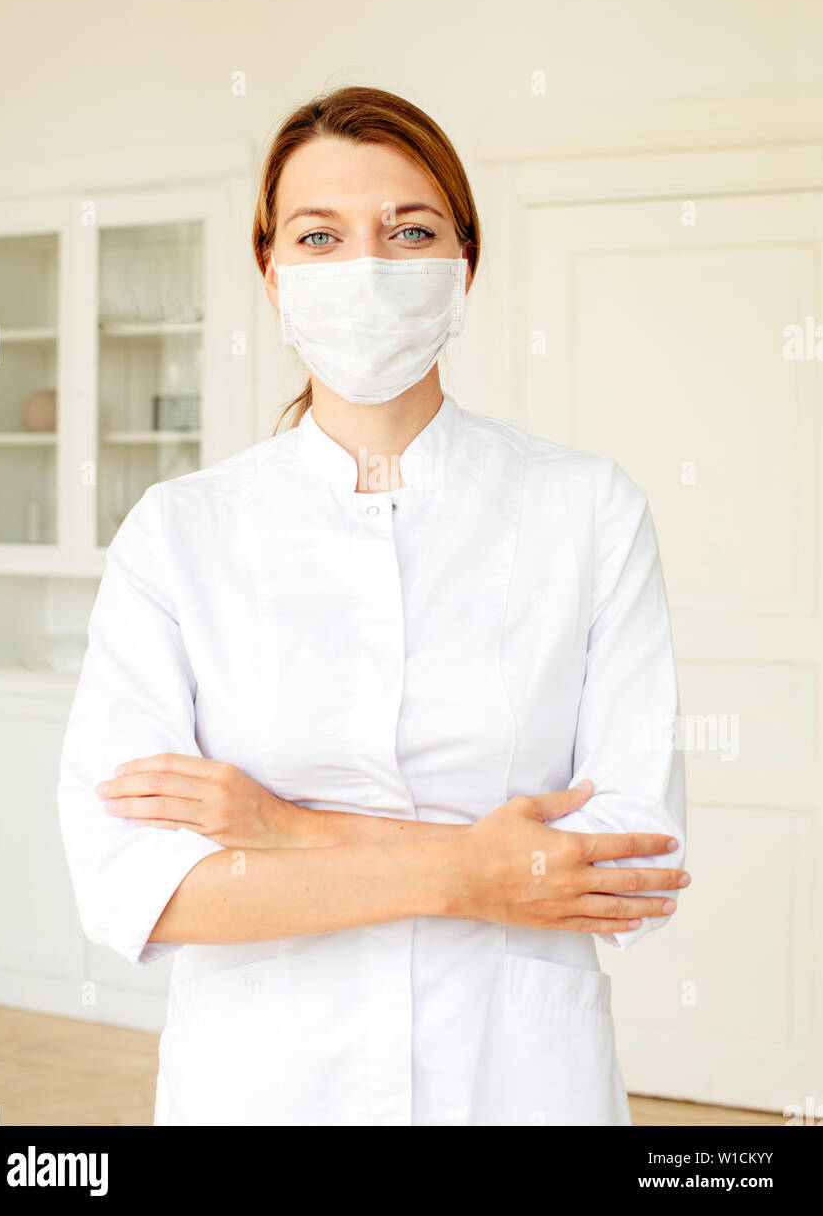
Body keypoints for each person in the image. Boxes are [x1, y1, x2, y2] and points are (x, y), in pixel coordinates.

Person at [58, 85, 688, 1127]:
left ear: (464, 262)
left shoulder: (586, 511)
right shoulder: (178, 536)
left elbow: (628, 864)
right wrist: (472, 870)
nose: (368, 266)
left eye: (409, 231)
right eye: (320, 235)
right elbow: (136, 883)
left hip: (514, 1081)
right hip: (263, 1086)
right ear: (271, 271)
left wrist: (280, 829)